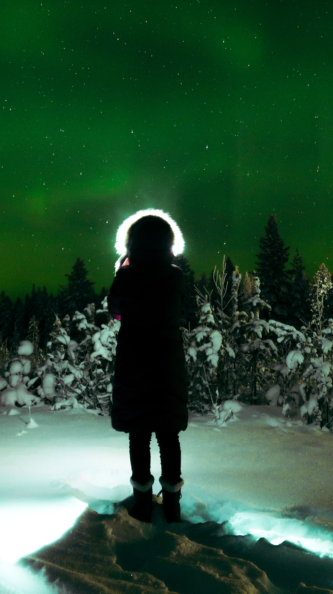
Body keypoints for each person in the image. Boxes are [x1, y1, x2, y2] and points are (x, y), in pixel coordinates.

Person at [107, 214, 189, 523]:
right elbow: (183, 307)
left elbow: (114, 308)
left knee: (138, 433)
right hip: (167, 362)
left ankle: (142, 502)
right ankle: (172, 504)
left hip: (134, 362)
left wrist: (125, 270)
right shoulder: (175, 277)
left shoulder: (126, 277)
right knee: (168, 435)